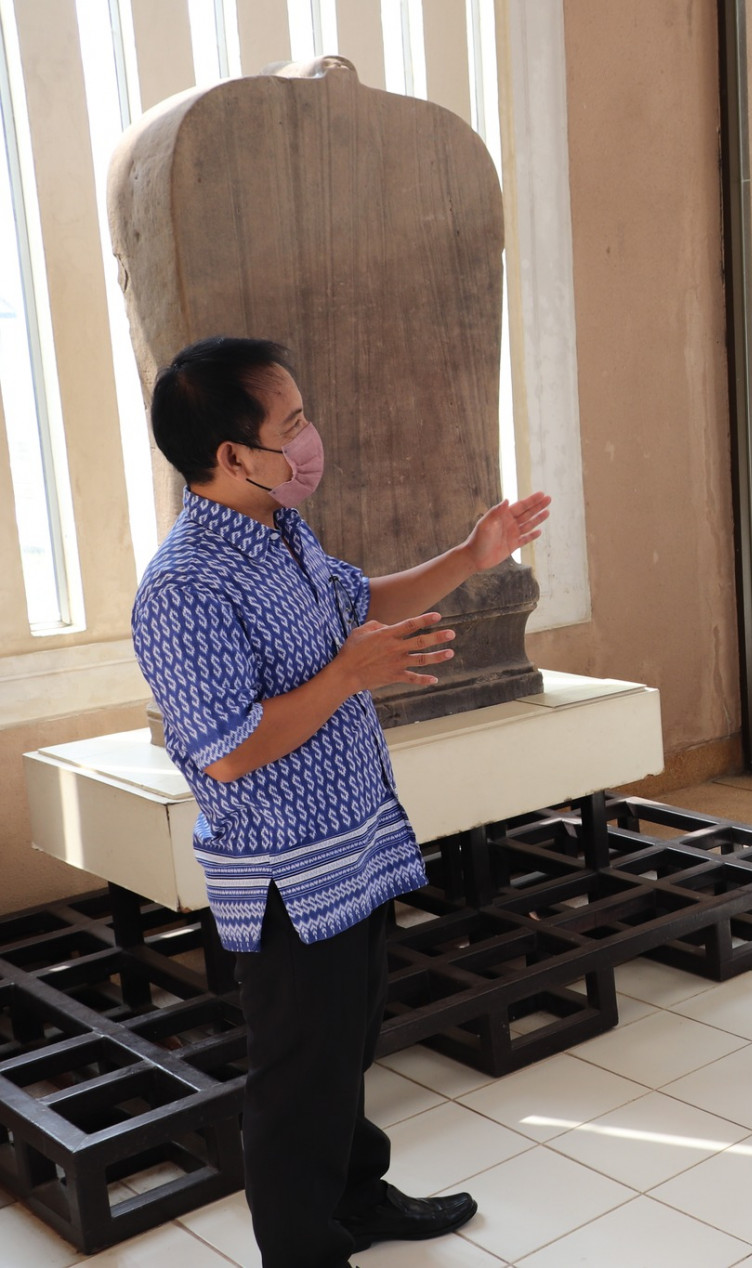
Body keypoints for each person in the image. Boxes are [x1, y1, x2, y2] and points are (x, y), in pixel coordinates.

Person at [130, 337, 551, 1268]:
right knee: (297, 1079)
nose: (311, 438)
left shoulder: (282, 532)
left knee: (348, 1050)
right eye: (292, 425)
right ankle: (300, 1250)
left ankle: (356, 1201)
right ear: (233, 456)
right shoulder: (182, 587)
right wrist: (348, 671)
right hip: (287, 873)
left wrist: (472, 554)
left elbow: (365, 596)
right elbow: (228, 749)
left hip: (353, 847)